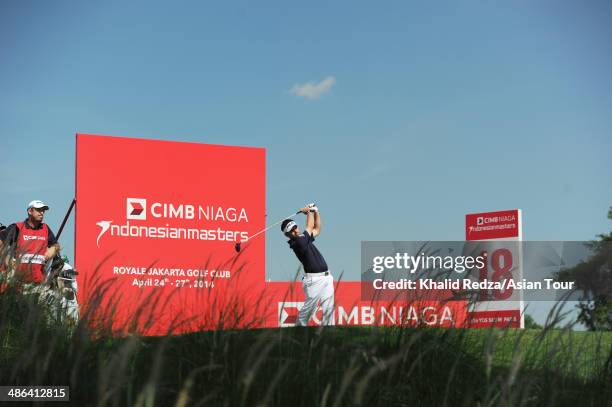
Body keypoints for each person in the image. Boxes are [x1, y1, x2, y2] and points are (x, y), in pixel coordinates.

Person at [281, 203, 334, 326]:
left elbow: (317, 229)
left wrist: (316, 212)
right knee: (308, 311)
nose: (295, 231)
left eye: (295, 227)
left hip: (326, 277)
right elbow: (310, 226)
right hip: (313, 280)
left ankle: (329, 333)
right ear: (287, 234)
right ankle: (298, 329)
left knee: (328, 308)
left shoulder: (303, 237)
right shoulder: (297, 242)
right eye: (291, 230)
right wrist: (308, 212)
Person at [0, 200, 60, 284]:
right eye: (38, 210)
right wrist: (7, 260)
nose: (42, 212)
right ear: (30, 211)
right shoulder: (17, 227)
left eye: (43, 210)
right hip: (17, 283)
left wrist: (52, 250)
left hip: (39, 283)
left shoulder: (45, 228)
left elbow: (56, 245)